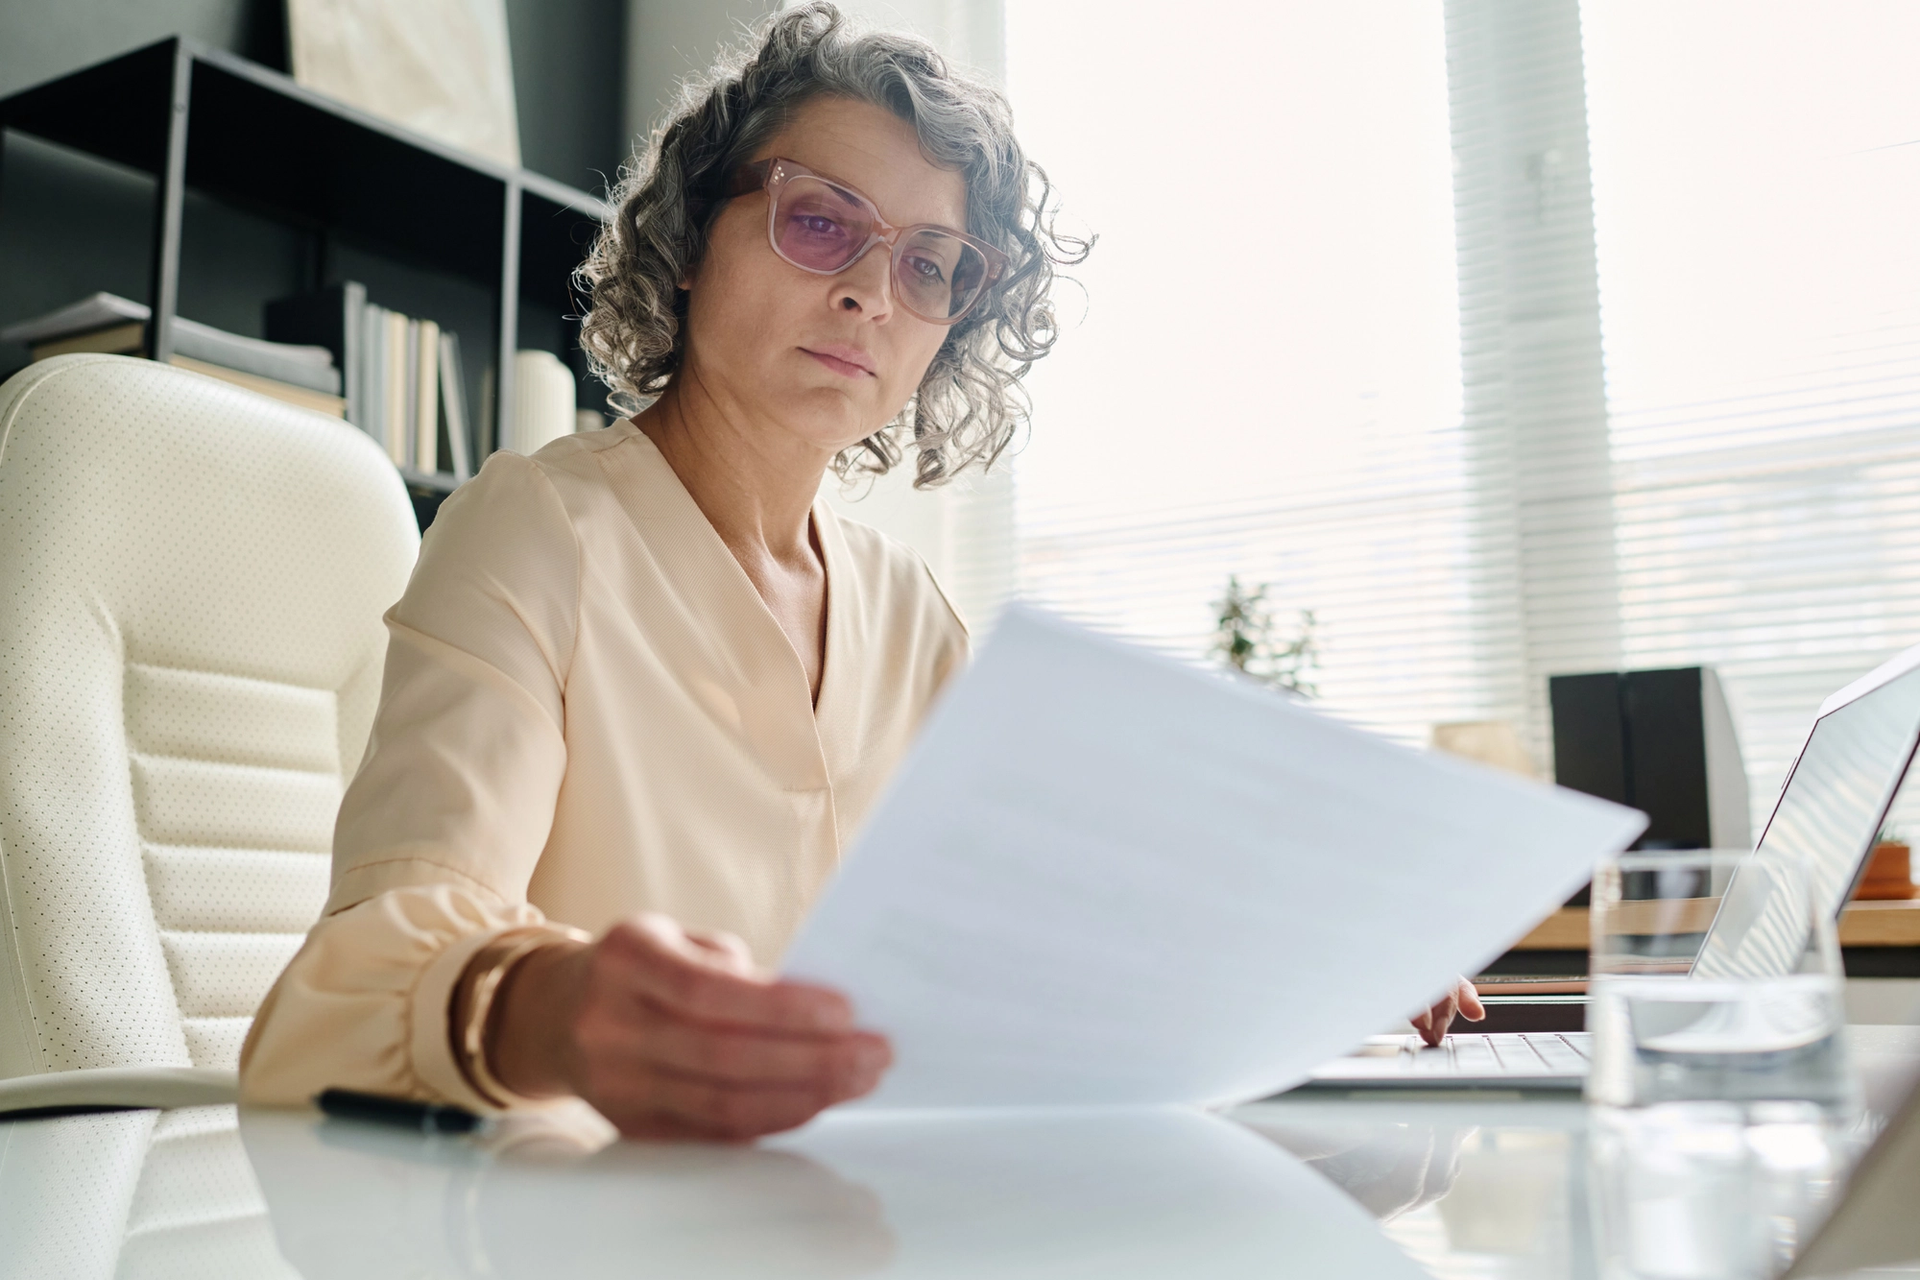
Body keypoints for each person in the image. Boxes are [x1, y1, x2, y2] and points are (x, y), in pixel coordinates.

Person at [241, 2, 1477, 1141]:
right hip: (586, 1215)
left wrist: (1327, 950)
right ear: (687, 242)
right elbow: (348, 985)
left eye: (930, 262)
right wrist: (554, 1006)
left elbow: (1051, 935)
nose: (869, 291)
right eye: (820, 218)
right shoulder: (537, 529)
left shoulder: (910, 613)